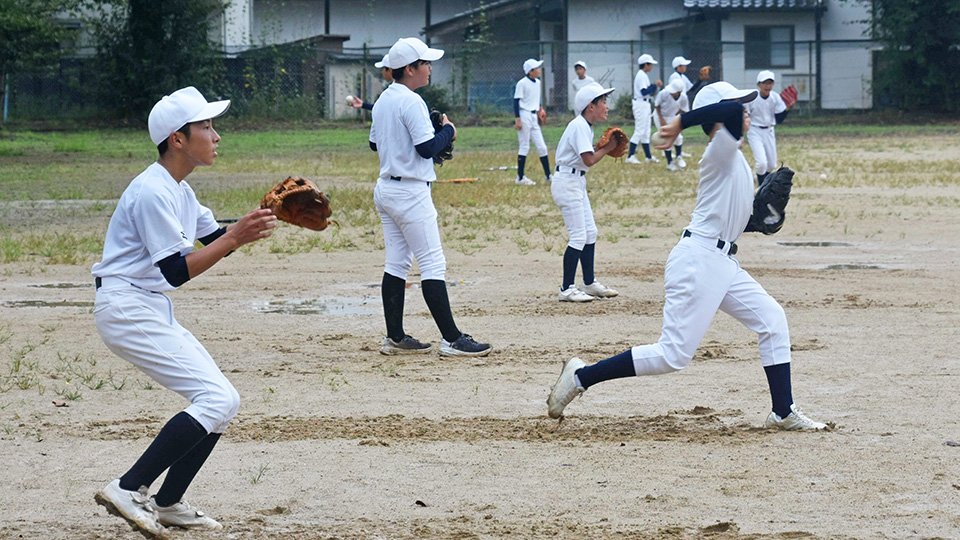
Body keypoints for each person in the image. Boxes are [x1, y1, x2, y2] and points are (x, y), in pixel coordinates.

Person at [547, 81, 828, 432]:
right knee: (672, 355)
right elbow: (723, 114)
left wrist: (759, 220)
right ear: (718, 119)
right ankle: (581, 376)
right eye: (737, 107)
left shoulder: (735, 157)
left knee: (772, 319)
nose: (745, 112)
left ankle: (783, 411)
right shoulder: (721, 151)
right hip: (699, 262)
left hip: (722, 261)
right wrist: (682, 121)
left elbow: (732, 218)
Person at [92, 87, 278, 536]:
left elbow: (216, 237)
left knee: (223, 400)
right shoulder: (152, 191)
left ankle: (169, 501)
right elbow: (176, 271)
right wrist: (234, 238)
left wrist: (267, 217)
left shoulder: (180, 189)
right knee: (215, 398)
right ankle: (127, 487)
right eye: (207, 126)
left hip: (145, 304)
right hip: (126, 306)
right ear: (178, 139)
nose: (216, 136)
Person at [369, 37, 492, 358]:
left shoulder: (384, 100)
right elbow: (426, 148)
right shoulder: (411, 101)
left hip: (387, 188)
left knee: (397, 263)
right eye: (425, 63)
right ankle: (452, 339)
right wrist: (448, 130)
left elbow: (374, 144)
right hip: (410, 192)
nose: (429, 68)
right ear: (409, 69)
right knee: (432, 263)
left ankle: (394, 337)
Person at [552, 83, 622, 303]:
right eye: (602, 102)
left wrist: (603, 147)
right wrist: (608, 148)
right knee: (579, 236)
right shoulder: (579, 126)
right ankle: (566, 288)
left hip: (575, 181)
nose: (606, 106)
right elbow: (589, 159)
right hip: (567, 182)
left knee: (590, 233)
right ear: (590, 106)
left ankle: (589, 283)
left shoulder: (584, 125)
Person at [745, 70, 794, 184]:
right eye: (765, 83)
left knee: (771, 165)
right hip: (754, 130)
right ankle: (762, 187)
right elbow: (746, 114)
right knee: (762, 163)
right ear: (759, 85)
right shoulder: (753, 97)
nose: (767, 86)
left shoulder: (775, 97)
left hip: (769, 130)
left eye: (770, 83)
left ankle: (761, 180)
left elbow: (779, 119)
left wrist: (788, 108)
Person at [513, 58, 552, 186]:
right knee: (524, 146)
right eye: (536, 68)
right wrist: (518, 119)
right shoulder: (522, 83)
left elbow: (537, 99)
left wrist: (540, 109)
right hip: (524, 114)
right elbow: (516, 101)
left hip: (534, 116)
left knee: (542, 146)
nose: (539, 70)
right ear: (530, 71)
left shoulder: (538, 83)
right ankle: (520, 177)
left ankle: (548, 176)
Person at [625, 53, 662, 164]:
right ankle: (630, 156)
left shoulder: (643, 75)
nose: (651, 67)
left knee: (646, 131)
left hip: (645, 104)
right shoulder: (641, 75)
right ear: (645, 64)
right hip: (640, 104)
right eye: (650, 64)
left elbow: (647, 92)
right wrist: (655, 85)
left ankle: (648, 157)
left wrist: (654, 87)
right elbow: (644, 91)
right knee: (640, 130)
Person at [654, 79, 690, 171]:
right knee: (666, 138)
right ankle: (669, 163)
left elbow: (684, 110)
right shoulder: (663, 93)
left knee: (678, 137)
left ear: (679, 92)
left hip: (673, 117)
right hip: (660, 116)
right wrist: (662, 120)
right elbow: (657, 106)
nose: (671, 93)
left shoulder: (683, 98)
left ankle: (679, 156)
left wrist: (677, 119)